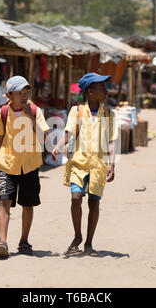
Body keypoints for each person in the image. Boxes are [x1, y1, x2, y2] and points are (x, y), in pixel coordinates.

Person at [52, 73, 118, 256]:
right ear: (91, 92)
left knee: (94, 202)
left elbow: (112, 141)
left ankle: (89, 242)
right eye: (102, 87)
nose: (106, 91)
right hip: (79, 163)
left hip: (98, 164)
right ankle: (78, 235)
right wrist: (57, 147)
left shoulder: (109, 114)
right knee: (75, 198)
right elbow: (68, 133)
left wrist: (112, 165)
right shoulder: (77, 111)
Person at [0, 76, 50, 258]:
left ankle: (24, 241)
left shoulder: (35, 111)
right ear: (9, 95)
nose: (24, 97)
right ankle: (2, 242)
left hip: (30, 165)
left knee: (27, 204)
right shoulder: (2, 112)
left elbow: (43, 139)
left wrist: (31, 118)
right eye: (20, 93)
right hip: (7, 164)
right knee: (4, 201)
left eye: (26, 93)